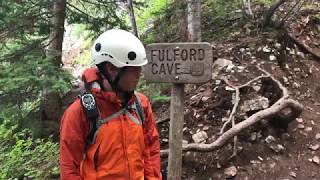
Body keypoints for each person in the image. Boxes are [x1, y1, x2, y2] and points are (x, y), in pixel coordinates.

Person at [60, 29, 162, 180]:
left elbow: (151, 149)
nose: (139, 73)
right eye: (134, 69)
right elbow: (69, 169)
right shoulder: (80, 112)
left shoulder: (140, 104)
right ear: (111, 68)